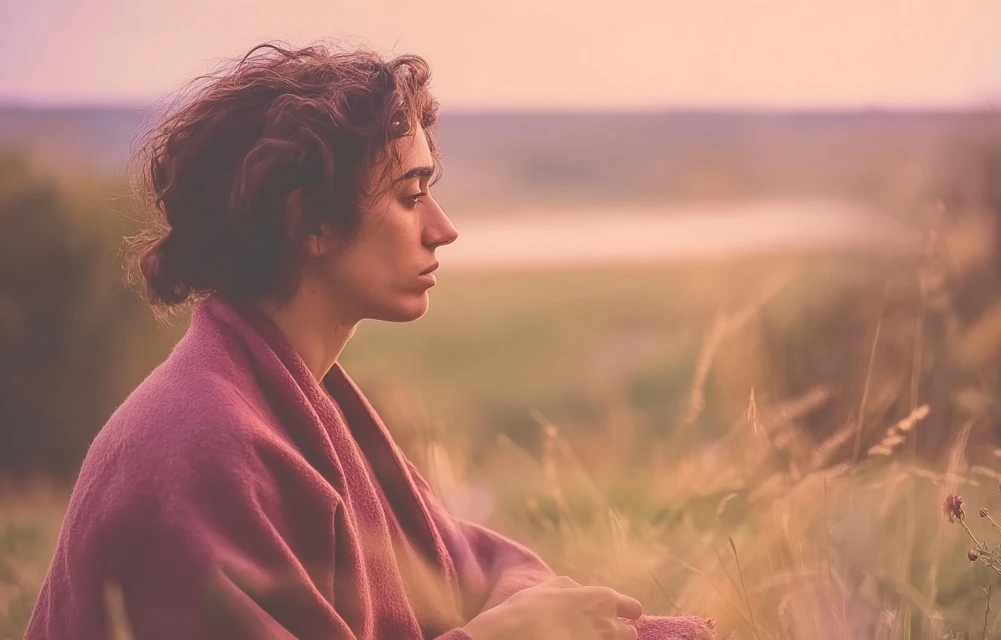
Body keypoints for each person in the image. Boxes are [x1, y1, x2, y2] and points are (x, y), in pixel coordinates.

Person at [25, 42, 715, 640]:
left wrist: (537, 612)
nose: (442, 229)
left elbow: (466, 569)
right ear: (312, 223)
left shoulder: (298, 396)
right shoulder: (197, 446)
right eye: (410, 196)